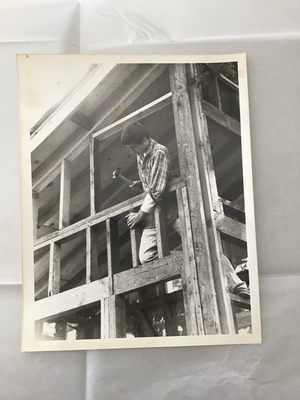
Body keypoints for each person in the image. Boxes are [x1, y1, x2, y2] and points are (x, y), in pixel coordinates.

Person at [121, 122, 249, 298]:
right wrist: (142, 185)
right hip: (156, 213)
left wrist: (140, 215)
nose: (132, 151)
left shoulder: (159, 152)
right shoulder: (141, 154)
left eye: (133, 147)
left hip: (173, 208)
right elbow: (152, 183)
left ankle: (237, 285)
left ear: (145, 139)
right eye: (129, 148)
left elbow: (157, 190)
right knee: (147, 257)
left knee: (203, 243)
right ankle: (194, 256)